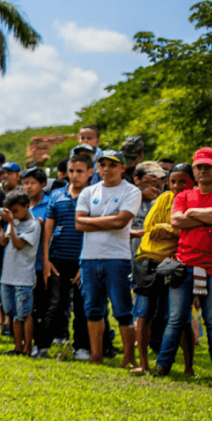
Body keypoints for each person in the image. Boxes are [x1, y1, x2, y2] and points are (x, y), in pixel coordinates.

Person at [75, 149, 140, 370]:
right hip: (89, 258)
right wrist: (109, 220)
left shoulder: (131, 191)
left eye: (113, 165)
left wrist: (92, 221)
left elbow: (121, 222)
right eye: (102, 164)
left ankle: (128, 356)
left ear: (123, 167)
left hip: (117, 258)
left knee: (122, 310)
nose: (107, 169)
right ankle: (96, 354)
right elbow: (78, 223)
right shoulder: (88, 191)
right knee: (92, 308)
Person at [155, 149, 212, 378]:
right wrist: (206, 215)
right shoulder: (183, 196)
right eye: (199, 166)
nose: (203, 170)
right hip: (184, 264)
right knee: (175, 319)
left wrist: (193, 213)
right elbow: (176, 220)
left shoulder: (190, 202)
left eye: (208, 166)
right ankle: (162, 367)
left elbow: (190, 217)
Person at [133, 164, 195, 375]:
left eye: (183, 181)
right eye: (173, 181)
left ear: (193, 181)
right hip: (148, 260)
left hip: (178, 261)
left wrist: (168, 228)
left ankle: (188, 367)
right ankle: (144, 363)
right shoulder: (164, 198)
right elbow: (150, 227)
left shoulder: (196, 201)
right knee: (144, 314)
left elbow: (193, 234)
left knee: (179, 317)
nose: (177, 186)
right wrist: (177, 231)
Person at [43, 155, 94, 360]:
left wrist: (85, 263)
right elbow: (48, 227)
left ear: (90, 172)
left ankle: (82, 346)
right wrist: (46, 259)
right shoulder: (56, 195)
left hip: (84, 260)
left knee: (82, 306)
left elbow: (94, 232)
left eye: (80, 171)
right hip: (57, 259)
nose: (74, 175)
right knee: (53, 304)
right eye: (72, 171)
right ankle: (44, 345)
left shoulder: (93, 196)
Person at [0, 189, 40, 356]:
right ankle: (17, 347)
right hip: (7, 275)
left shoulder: (33, 225)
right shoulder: (13, 223)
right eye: (11, 212)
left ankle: (28, 347)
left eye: (16, 211)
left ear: (27, 206)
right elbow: (3, 242)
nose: (13, 214)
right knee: (12, 314)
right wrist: (0, 225)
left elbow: (19, 245)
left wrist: (11, 224)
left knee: (25, 314)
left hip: (23, 277)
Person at [20, 167, 53, 356]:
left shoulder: (50, 204)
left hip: (41, 262)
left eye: (32, 183)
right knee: (25, 307)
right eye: (25, 183)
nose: (28, 186)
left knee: (41, 306)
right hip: (23, 264)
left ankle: (41, 345)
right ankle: (26, 343)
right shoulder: (19, 203)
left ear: (42, 184)